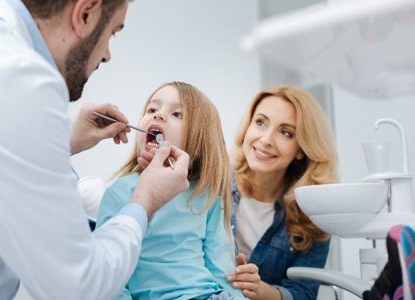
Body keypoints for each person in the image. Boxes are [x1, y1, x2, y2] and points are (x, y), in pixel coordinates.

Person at [0, 0, 190, 299]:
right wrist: (145, 199)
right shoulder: (18, 78)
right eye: (112, 32)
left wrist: (64, 141)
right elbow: (79, 286)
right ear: (85, 13)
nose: (108, 55)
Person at [96, 81, 246, 300]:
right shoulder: (119, 193)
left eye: (177, 114)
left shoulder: (206, 194)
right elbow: (110, 277)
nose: (158, 116)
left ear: (199, 138)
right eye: (152, 109)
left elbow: (222, 271)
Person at [226, 85, 339, 300]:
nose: (266, 139)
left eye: (285, 132)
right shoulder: (213, 187)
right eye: (260, 123)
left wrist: (259, 290)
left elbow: (303, 294)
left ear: (301, 150)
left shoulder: (313, 214)